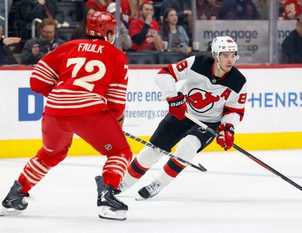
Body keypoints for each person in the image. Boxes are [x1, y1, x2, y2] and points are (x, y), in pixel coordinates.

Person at [1, 11, 133, 221]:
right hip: (91, 112)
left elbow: (37, 81)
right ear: (109, 32)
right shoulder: (116, 55)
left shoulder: (67, 47)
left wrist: (62, 96)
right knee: (120, 152)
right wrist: (114, 120)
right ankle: (107, 195)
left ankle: (14, 197)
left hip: (54, 110)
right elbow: (116, 102)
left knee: (50, 154)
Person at [118, 36, 248, 200]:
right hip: (182, 112)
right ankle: (122, 183)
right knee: (152, 153)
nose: (230, 60)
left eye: (233, 55)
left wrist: (227, 129)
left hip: (209, 122)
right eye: (225, 55)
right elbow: (164, 75)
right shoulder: (197, 63)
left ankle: (159, 182)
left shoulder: (239, 81)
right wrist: (173, 98)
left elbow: (234, 110)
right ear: (216, 55)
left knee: (188, 146)